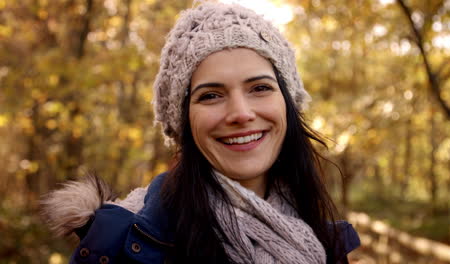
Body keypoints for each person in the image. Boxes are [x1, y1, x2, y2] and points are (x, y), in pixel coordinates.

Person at [42, 2, 360, 264]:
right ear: (185, 121)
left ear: (287, 105)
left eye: (260, 88)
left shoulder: (325, 242)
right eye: (210, 95)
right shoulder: (120, 246)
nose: (241, 113)